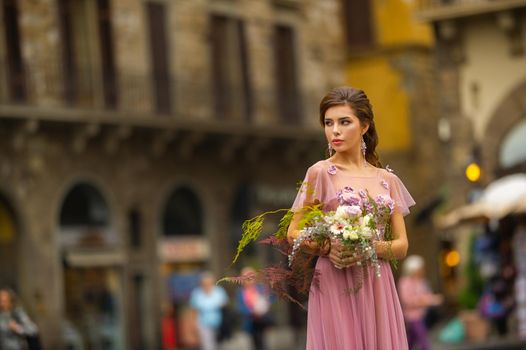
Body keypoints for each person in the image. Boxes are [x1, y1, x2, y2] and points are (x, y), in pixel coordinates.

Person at [286, 86, 415, 349]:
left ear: (364, 125)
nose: (335, 130)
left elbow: (401, 246)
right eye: (328, 123)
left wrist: (367, 247)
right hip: (334, 280)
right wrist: (328, 246)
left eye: (344, 122)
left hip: (377, 285)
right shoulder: (319, 172)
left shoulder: (387, 180)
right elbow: (292, 232)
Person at [398, 255, 443, 350]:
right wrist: (426, 301)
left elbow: (426, 295)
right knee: (423, 340)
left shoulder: (420, 281)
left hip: (422, 315)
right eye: (420, 269)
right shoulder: (404, 282)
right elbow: (407, 301)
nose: (422, 271)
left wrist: (433, 299)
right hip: (412, 317)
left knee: (411, 340)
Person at [236, 266, 273, 350]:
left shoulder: (261, 288)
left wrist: (265, 306)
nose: (248, 279)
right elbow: (239, 307)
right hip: (250, 323)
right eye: (245, 277)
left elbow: (270, 299)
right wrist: (252, 311)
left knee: (264, 344)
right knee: (254, 345)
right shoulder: (240, 291)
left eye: (250, 276)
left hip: (263, 321)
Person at [189, 272, 228, 350]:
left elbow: (225, 304)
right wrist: (193, 324)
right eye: (204, 283)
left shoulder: (219, 291)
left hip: (219, 323)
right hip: (203, 323)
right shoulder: (196, 293)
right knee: (208, 346)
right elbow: (194, 310)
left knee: (220, 345)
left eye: (209, 283)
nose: (207, 285)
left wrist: (219, 305)